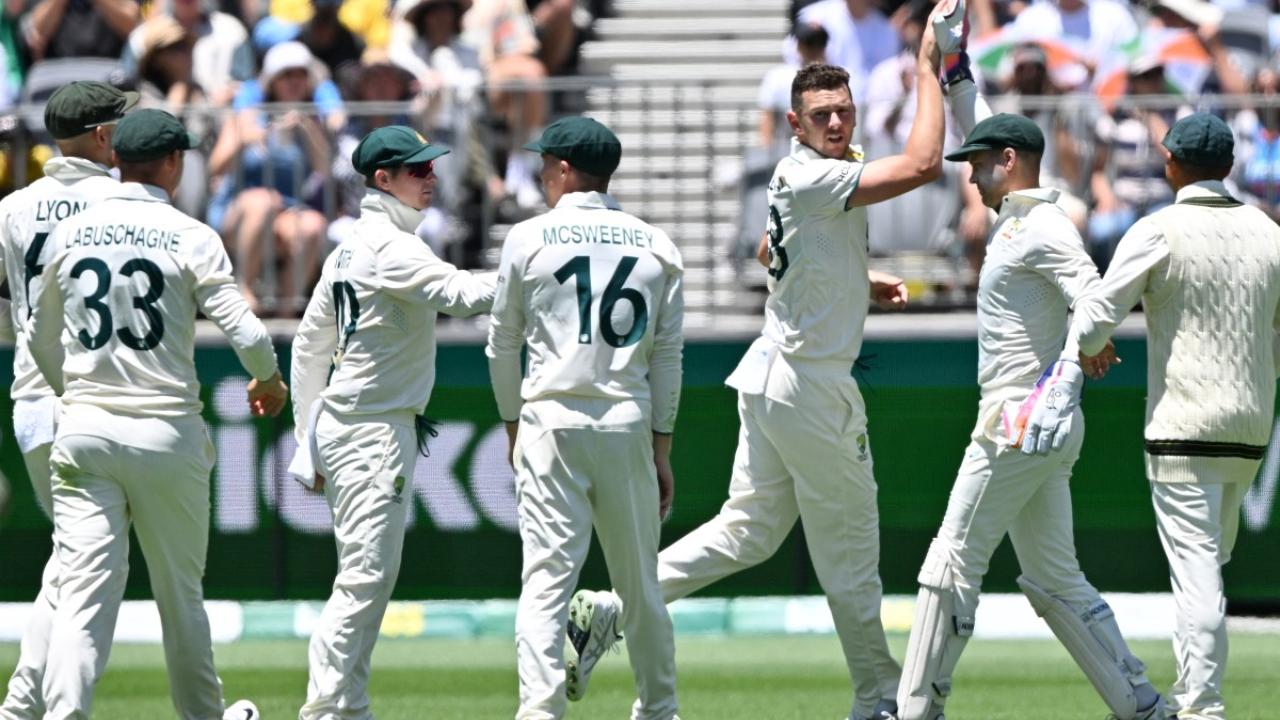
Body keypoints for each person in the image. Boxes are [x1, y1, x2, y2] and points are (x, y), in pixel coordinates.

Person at [568, 4, 958, 716]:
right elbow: (927, 163)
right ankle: (877, 697)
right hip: (808, 385)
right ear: (794, 124)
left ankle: (610, 606)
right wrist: (929, 65)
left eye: (843, 111)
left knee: (747, 532)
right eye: (821, 116)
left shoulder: (799, 178)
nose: (836, 124)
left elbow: (768, 253)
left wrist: (851, 277)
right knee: (852, 551)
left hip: (776, 374)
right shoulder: (813, 178)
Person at [894, 115, 1166, 720]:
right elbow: (1089, 315)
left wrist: (1068, 374)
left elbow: (1094, 298)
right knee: (1055, 579)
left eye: (977, 162)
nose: (969, 174)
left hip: (1019, 416)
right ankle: (1144, 704)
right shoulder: (1017, 222)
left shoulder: (1043, 225)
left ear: (1009, 159)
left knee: (951, 560)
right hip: (1033, 422)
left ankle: (913, 711)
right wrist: (957, 71)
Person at [27, 108, 283, 720]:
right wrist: (270, 381)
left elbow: (38, 336)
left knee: (82, 597)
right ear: (172, 163)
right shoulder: (190, 234)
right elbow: (245, 330)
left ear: (115, 159)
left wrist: (77, 391)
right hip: (166, 433)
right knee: (180, 596)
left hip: (84, 431)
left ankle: (63, 716)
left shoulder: (72, 232)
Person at [1034, 112, 1280, 720]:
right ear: (1228, 166)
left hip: (1184, 428)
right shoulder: (1270, 232)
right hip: (1250, 428)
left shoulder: (1158, 228)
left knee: (1198, 577)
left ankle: (1203, 709)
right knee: (1209, 568)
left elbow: (1093, 320)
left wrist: (1090, 351)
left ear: (1173, 164)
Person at [288, 125, 496, 720]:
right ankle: (327, 710)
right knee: (365, 578)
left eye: (430, 169)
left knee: (366, 576)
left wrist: (309, 437)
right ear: (383, 180)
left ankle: (344, 708)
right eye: (417, 171)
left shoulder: (353, 246)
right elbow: (460, 294)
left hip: (355, 426)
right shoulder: (389, 246)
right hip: (372, 430)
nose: (431, 178)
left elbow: (308, 346)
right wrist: (542, 269)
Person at [486, 116, 684, 720]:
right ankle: (659, 708)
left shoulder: (528, 238)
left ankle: (541, 712)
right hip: (626, 420)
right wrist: (662, 448)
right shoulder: (657, 245)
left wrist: (513, 425)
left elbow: (501, 346)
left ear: (566, 170)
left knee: (545, 583)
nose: (543, 173)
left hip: (550, 421)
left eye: (547, 163)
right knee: (641, 587)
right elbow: (667, 359)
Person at [0, 79, 131, 720]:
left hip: (32, 397)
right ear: (104, 136)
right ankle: (42, 709)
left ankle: (23, 707)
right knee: (87, 570)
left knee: (70, 561)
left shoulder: (13, 207)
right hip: (97, 399)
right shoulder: (125, 200)